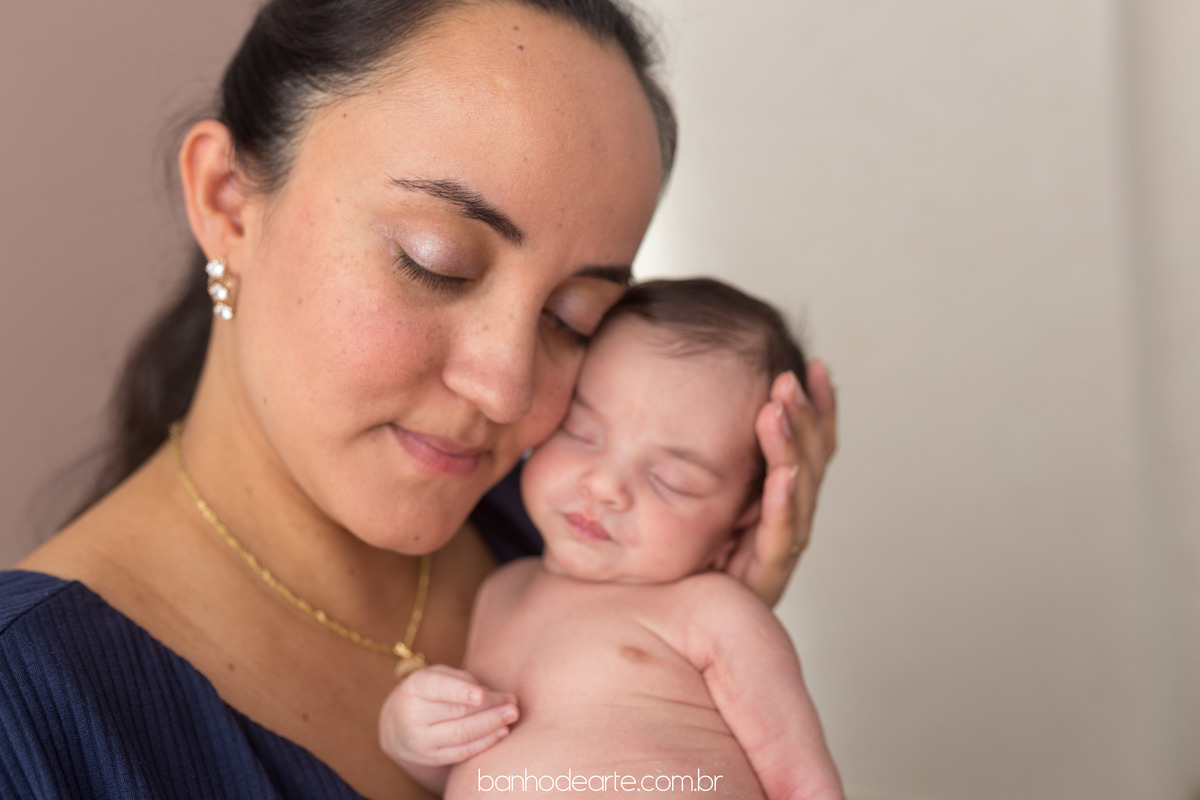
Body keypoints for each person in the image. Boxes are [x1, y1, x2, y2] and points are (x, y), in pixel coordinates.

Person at [0, 1, 838, 799]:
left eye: (572, 318)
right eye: (435, 262)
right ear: (229, 200)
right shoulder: (28, 715)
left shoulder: (556, 532)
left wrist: (697, 655)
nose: (507, 389)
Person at [379, 279, 843, 800]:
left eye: (671, 480)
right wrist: (411, 739)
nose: (603, 486)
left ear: (740, 523)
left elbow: (804, 783)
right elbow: (474, 768)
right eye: (580, 433)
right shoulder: (501, 590)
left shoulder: (713, 613)